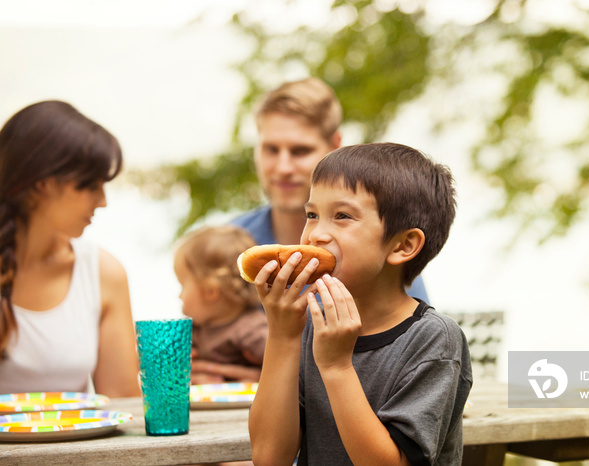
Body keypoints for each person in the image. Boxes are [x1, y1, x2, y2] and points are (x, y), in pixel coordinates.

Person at [248, 142, 472, 465]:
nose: (315, 235)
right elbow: (269, 457)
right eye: (312, 215)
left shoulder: (434, 340)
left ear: (403, 245)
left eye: (341, 216)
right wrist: (282, 336)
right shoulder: (313, 326)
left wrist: (337, 367)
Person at [231, 77, 430, 302]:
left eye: (300, 151)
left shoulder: (378, 259)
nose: (283, 167)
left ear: (335, 146)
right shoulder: (225, 245)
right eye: (271, 149)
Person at [0, 100, 140, 397]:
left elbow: (123, 407)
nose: (103, 201)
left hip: (78, 444)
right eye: (90, 185)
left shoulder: (103, 273)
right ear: (42, 183)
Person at [173, 225, 268, 384]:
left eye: (183, 285)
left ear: (210, 291)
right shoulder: (195, 329)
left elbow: (287, 361)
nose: (179, 296)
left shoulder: (250, 329)